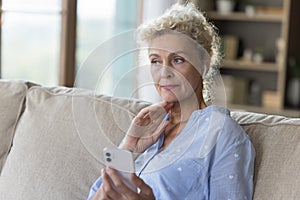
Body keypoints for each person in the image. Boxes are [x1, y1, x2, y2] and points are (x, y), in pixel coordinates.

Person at [88, 2, 255, 200]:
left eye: (178, 60)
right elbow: (96, 196)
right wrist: (129, 146)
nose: (164, 73)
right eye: (156, 61)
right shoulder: (149, 128)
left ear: (204, 64)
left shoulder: (222, 134)